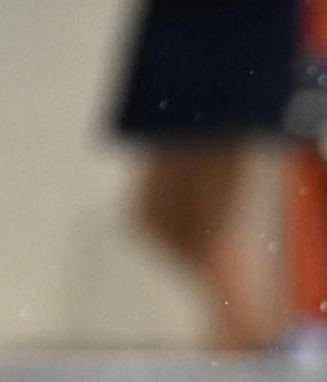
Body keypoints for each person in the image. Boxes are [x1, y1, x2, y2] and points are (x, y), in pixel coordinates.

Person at [113, 0, 303, 351]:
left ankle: (256, 344)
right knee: (171, 212)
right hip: (197, 21)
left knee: (198, 217)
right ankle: (253, 342)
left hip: (222, 21)